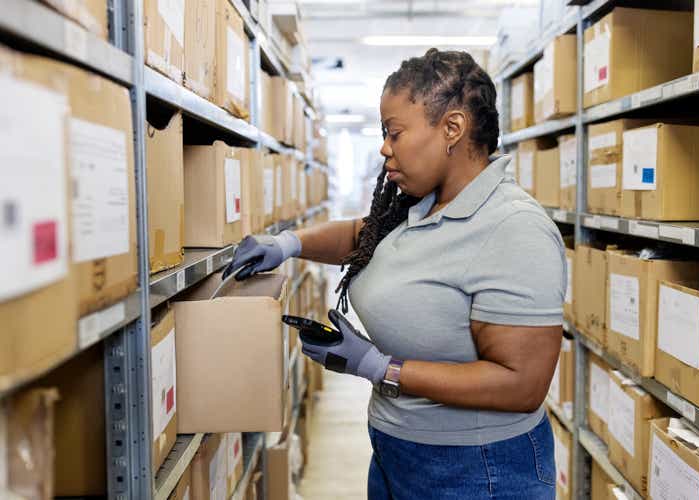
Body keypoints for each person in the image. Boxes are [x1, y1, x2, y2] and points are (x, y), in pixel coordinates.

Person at [223, 48, 566, 499]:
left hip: (479, 472)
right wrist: (288, 244)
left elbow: (521, 384)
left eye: (394, 132)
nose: (384, 147)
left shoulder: (513, 228)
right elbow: (359, 236)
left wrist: (379, 367)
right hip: (396, 453)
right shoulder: (420, 206)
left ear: (452, 128)